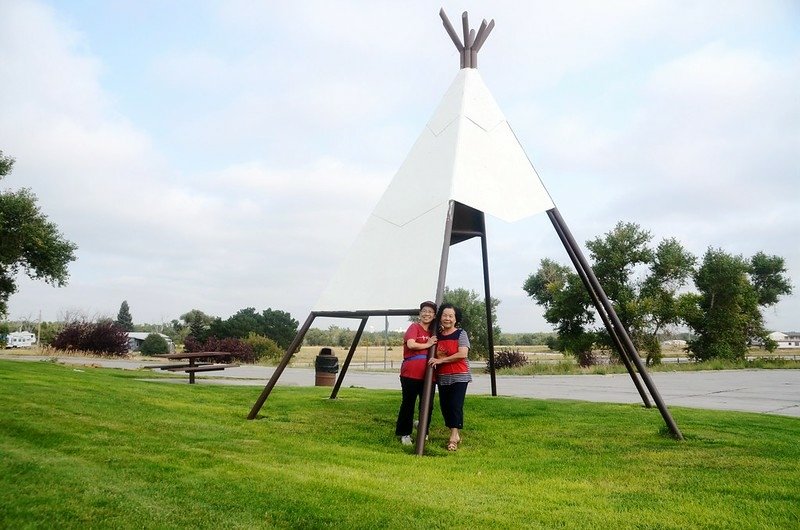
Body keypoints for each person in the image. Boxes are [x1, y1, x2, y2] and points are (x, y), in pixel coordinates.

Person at [428, 303, 471, 451]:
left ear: (455, 319)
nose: (447, 318)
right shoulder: (437, 337)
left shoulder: (461, 334)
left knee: (455, 405)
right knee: (445, 406)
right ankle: (454, 432)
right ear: (440, 318)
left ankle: (453, 437)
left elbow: (462, 354)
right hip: (443, 376)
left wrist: (441, 360)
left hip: (460, 375)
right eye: (444, 315)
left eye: (450, 316)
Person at [394, 301, 438, 445]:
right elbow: (411, 344)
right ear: (420, 314)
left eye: (430, 312)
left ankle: (423, 430)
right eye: (424, 311)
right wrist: (428, 344)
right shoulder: (414, 327)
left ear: (434, 315)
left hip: (429, 374)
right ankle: (404, 433)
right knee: (408, 403)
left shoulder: (434, 331)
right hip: (410, 373)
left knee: (427, 404)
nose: (427, 314)